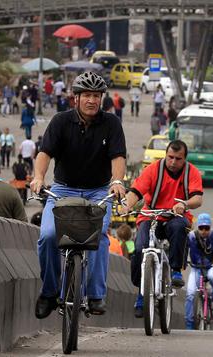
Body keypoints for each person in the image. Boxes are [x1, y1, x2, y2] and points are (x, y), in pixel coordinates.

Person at [30, 71, 127, 319]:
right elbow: (45, 154)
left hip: (97, 192)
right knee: (49, 235)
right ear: (76, 98)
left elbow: (118, 157)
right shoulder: (61, 122)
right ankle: (49, 292)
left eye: (96, 95)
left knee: (100, 239)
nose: (92, 100)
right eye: (87, 95)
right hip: (62, 189)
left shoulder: (112, 124)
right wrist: (39, 177)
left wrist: (117, 182)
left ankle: (95, 295)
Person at [121, 139, 203, 318]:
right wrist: (127, 205)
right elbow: (136, 192)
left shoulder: (192, 173)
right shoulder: (153, 170)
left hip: (176, 217)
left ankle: (175, 271)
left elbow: (198, 199)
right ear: (165, 155)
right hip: (151, 216)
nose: (173, 162)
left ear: (185, 159)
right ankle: (142, 293)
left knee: (180, 228)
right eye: (170, 157)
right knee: (140, 247)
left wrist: (184, 204)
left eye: (178, 159)